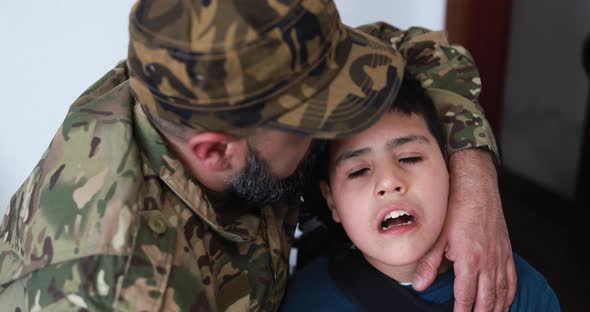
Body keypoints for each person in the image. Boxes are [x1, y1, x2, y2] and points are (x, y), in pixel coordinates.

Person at [0, 0, 512, 311]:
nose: (336, 135)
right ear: (217, 150)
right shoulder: (126, 290)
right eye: (316, 123)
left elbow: (414, 51)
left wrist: (474, 175)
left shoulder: (215, 66)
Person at [281, 76, 560, 311]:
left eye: (410, 158)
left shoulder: (520, 289)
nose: (389, 181)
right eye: (358, 171)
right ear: (331, 200)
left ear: (453, 169)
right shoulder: (305, 299)